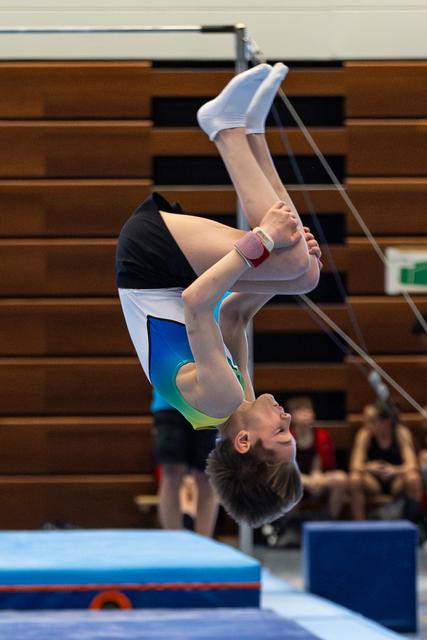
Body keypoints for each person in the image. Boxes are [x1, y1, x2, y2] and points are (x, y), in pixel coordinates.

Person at [116, 63, 322, 526]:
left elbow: (196, 304)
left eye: (281, 435)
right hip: (163, 274)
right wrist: (286, 283)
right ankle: (253, 133)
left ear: (245, 443)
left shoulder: (222, 400)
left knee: (288, 259)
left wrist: (263, 242)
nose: (289, 420)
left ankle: (226, 130)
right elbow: (233, 317)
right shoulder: (236, 403)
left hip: (149, 261)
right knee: (304, 272)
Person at [151, 388, 218, 537]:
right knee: (171, 473)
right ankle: (173, 541)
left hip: (207, 403)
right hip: (169, 401)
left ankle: (205, 542)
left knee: (206, 475)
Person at [349, 399, 423, 521]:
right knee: (354, 479)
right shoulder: (364, 434)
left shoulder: (400, 433)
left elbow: (412, 464)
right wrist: (370, 467)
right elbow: (355, 465)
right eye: (366, 421)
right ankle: (359, 525)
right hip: (373, 482)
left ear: (386, 422)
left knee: (413, 478)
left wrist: (395, 470)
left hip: (396, 480)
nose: (367, 425)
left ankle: (413, 524)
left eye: (372, 421)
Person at [288, 396, 349, 519]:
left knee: (340, 478)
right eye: (300, 410)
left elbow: (321, 462)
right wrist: (305, 479)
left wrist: (317, 476)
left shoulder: (321, 436)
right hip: (295, 476)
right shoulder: (287, 436)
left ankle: (330, 520)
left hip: (315, 478)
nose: (306, 413)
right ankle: (290, 523)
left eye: (308, 410)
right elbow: (284, 466)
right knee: (288, 481)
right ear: (291, 416)